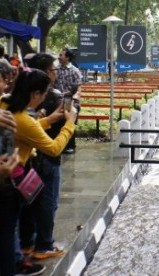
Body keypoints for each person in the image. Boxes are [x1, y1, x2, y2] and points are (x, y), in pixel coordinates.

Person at [19, 53, 70, 260]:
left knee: (29, 202)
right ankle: (43, 245)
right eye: (53, 69)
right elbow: (53, 148)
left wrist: (47, 119)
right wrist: (70, 122)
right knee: (47, 202)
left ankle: (27, 243)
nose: (56, 72)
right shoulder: (51, 96)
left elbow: (30, 126)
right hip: (44, 159)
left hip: (27, 162)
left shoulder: (13, 101)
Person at [0, 63, 45, 276]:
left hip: (10, 177)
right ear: (36, 93)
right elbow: (53, 149)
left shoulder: (5, 109)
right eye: (1, 79)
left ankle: (19, 257)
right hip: (9, 182)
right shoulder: (19, 117)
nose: (4, 85)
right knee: (8, 233)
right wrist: (69, 123)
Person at [54, 47, 82, 154]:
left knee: (69, 122)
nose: (59, 57)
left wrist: (74, 99)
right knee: (58, 123)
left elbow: (79, 89)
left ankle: (71, 146)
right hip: (57, 99)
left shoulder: (74, 71)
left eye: (61, 55)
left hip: (68, 100)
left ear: (67, 57)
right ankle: (59, 145)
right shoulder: (56, 69)